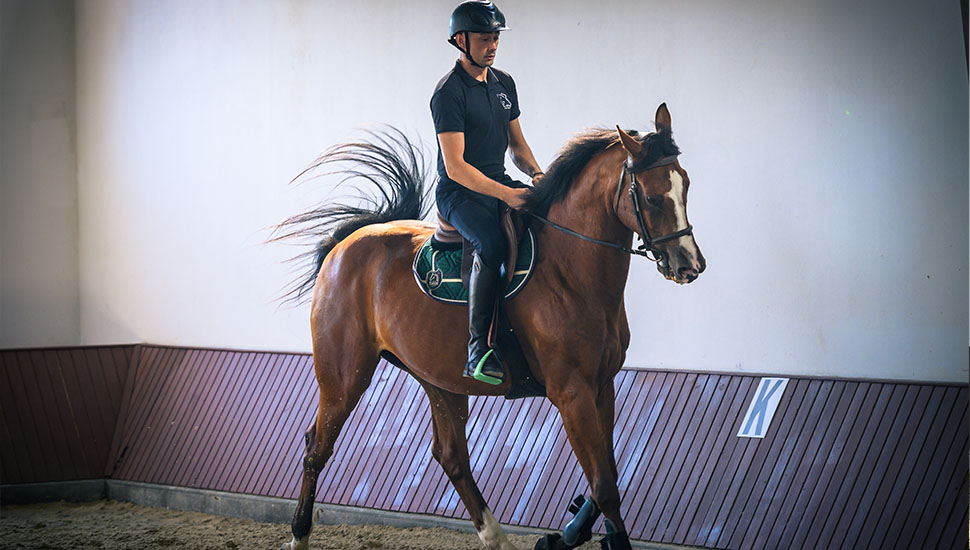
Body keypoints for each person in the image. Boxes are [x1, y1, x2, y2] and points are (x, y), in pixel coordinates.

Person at [431, 0, 544, 385]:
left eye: (495, 38)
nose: (492, 46)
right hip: (459, 193)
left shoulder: (504, 84)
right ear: (460, 41)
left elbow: (517, 146)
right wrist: (507, 195)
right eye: (484, 39)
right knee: (491, 244)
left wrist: (537, 174)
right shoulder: (448, 93)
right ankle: (478, 350)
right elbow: (456, 166)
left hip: (497, 183)